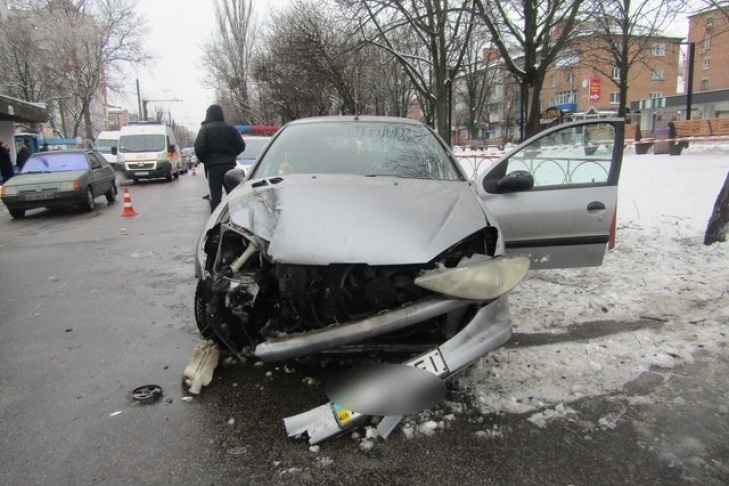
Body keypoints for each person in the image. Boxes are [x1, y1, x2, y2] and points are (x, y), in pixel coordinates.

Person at [194, 105, 245, 212]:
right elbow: (241, 145)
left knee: (216, 197)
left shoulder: (205, 129)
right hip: (230, 167)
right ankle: (236, 218)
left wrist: (207, 160)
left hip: (213, 168)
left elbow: (198, 148)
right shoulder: (230, 128)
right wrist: (231, 156)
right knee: (232, 195)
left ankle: (216, 222)